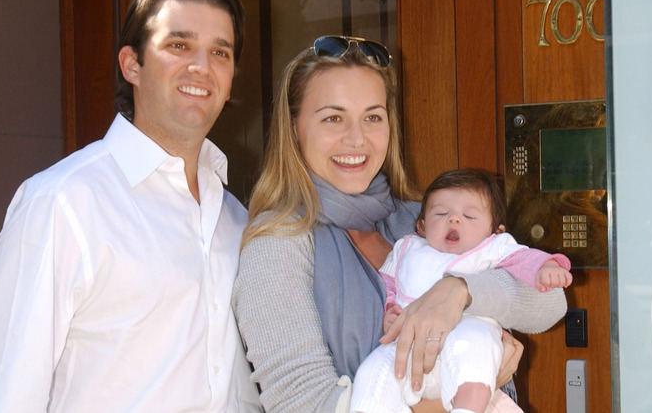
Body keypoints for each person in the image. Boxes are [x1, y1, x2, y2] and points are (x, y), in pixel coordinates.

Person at [0, 0, 261, 411]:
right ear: (131, 65)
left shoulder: (237, 222)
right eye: (179, 45)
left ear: (232, 79)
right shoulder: (63, 204)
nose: (202, 66)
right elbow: (2, 396)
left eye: (220, 52)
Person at [231, 36, 568, 413]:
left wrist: (459, 292)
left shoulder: (416, 220)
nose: (357, 139)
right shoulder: (277, 243)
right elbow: (302, 402)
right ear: (293, 128)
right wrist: (467, 395)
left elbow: (548, 300)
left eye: (372, 117)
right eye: (333, 118)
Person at [351, 168, 572, 413]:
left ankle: (468, 408)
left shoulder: (491, 247)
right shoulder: (408, 248)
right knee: (374, 369)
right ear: (422, 226)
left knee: (476, 344)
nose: (454, 219)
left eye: (469, 216)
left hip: (464, 331)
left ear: (494, 230)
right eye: (441, 213)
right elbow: (389, 282)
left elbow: (523, 260)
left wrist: (545, 267)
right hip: (408, 346)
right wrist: (390, 309)